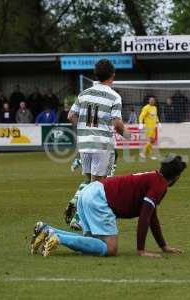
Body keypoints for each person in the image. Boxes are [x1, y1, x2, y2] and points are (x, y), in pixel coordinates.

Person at [30, 155, 186, 258]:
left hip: (89, 191)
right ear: (177, 176)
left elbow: (151, 217)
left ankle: (47, 230)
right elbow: (145, 217)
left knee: (90, 244)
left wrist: (163, 246)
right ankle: (58, 237)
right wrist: (141, 250)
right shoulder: (160, 185)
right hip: (100, 199)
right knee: (111, 249)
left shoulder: (154, 177)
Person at [64, 59, 129, 230]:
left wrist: (85, 127)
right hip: (102, 145)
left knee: (90, 182)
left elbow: (70, 116)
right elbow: (117, 123)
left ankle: (79, 209)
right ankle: (83, 218)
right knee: (100, 185)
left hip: (84, 144)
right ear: (112, 76)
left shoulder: (84, 93)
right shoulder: (114, 96)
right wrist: (128, 136)